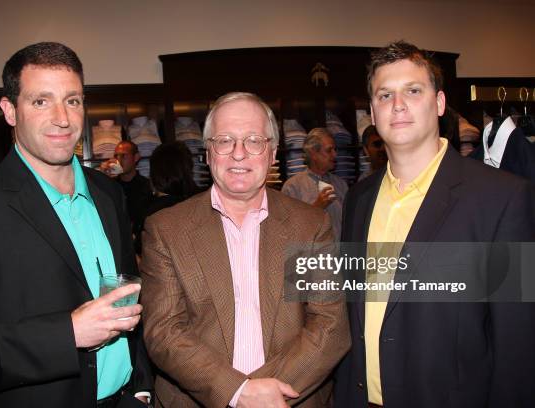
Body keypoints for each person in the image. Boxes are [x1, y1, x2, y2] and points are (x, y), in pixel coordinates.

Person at [0, 42, 152, 408]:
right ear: (10, 111)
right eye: (41, 101)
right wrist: (68, 334)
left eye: (73, 100)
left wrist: (140, 387)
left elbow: (128, 299)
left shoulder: (108, 194)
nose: (62, 118)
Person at [334, 41, 535, 408]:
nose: (398, 105)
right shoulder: (358, 199)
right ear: (372, 113)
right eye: (384, 95)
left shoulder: (502, 198)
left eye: (413, 90)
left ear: (440, 103)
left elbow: (517, 345)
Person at [139, 92, 350, 408]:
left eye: (254, 141)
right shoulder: (166, 230)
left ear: (273, 153)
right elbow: (164, 332)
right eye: (225, 141)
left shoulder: (311, 226)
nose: (239, 153)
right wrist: (237, 392)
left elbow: (329, 325)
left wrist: (266, 395)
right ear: (208, 152)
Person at [281, 127, 348, 240]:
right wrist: (317, 207)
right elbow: (286, 230)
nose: (335, 155)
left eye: (334, 150)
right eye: (329, 150)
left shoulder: (341, 185)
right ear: (313, 153)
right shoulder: (293, 187)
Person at [102, 140, 153, 248]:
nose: (119, 160)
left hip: (143, 246)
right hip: (117, 245)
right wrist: (104, 179)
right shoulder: (111, 186)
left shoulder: (147, 186)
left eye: (124, 156)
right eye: (116, 156)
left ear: (136, 157)